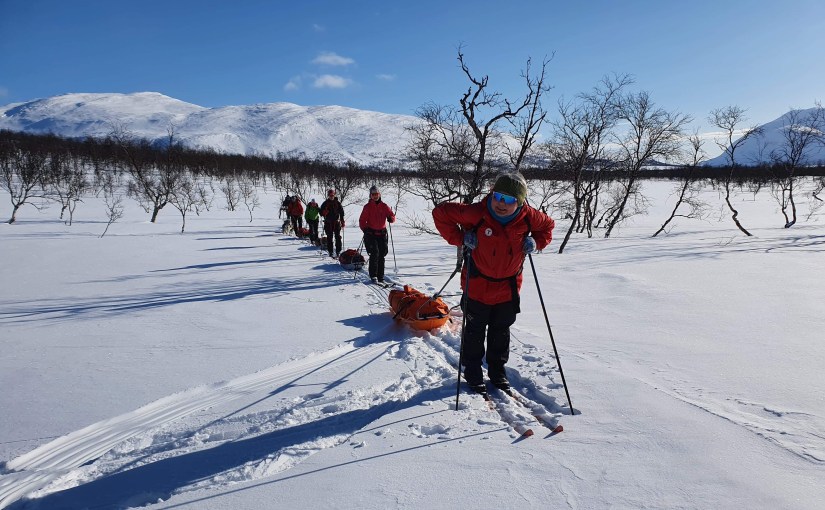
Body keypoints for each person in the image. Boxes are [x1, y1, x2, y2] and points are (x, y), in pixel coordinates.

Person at [432, 172, 554, 392]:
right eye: (497, 196)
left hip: (508, 288)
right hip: (477, 285)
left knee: (501, 332)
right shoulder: (476, 213)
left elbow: (548, 227)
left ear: (520, 201)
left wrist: (536, 242)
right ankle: (472, 372)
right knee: (474, 332)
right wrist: (461, 238)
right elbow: (440, 213)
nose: (501, 203)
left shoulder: (528, 217)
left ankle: (497, 372)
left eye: (509, 199)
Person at [359, 185, 396, 283]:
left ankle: (381, 276)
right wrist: (365, 229)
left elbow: (392, 215)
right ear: (370, 196)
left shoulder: (384, 206)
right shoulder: (367, 207)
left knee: (382, 254)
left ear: (379, 194)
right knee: (375, 253)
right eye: (373, 195)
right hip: (371, 234)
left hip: (382, 234)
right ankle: (373, 275)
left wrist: (391, 218)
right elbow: (362, 220)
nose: (375, 196)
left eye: (376, 194)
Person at [320, 189, 345, 257]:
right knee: (329, 238)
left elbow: (341, 212)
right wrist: (324, 212)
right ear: (328, 195)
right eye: (330, 195)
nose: (331, 196)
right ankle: (330, 251)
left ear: (334, 195)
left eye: (332, 195)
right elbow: (321, 212)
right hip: (328, 223)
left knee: (338, 237)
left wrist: (342, 221)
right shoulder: (325, 203)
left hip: (336, 223)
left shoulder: (337, 203)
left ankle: (338, 251)